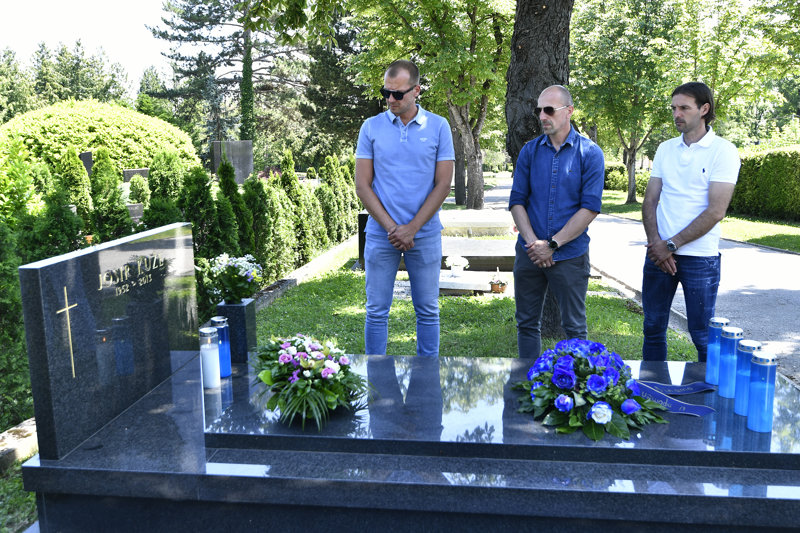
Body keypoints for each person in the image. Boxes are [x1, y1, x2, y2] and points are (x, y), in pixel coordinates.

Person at [355, 59, 455, 357]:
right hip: (380, 234)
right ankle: (376, 377)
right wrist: (392, 228)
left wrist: (412, 228)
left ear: (416, 91)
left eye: (397, 94)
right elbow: (362, 185)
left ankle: (428, 379)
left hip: (424, 234)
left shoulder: (439, 126)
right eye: (386, 92)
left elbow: (443, 185)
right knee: (376, 311)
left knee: (427, 310)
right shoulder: (371, 127)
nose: (390, 99)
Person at [642, 82, 740, 362]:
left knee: (702, 335)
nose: (677, 114)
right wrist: (657, 245)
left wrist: (670, 245)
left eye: (684, 108)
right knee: (653, 328)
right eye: (674, 108)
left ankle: (709, 389)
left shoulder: (723, 151)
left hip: (700, 257)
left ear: (704, 109)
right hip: (658, 254)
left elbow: (716, 211)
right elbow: (650, 201)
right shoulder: (665, 149)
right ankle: (653, 385)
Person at [508, 85, 605, 358]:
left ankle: (578, 382)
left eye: (549, 110)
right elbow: (517, 201)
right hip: (529, 253)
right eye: (539, 110)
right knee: (526, 324)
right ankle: (528, 379)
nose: (542, 116)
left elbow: (590, 208)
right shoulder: (529, 151)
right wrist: (534, 245)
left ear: (569, 111)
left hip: (570, 255)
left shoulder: (590, 153)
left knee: (574, 328)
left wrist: (552, 245)